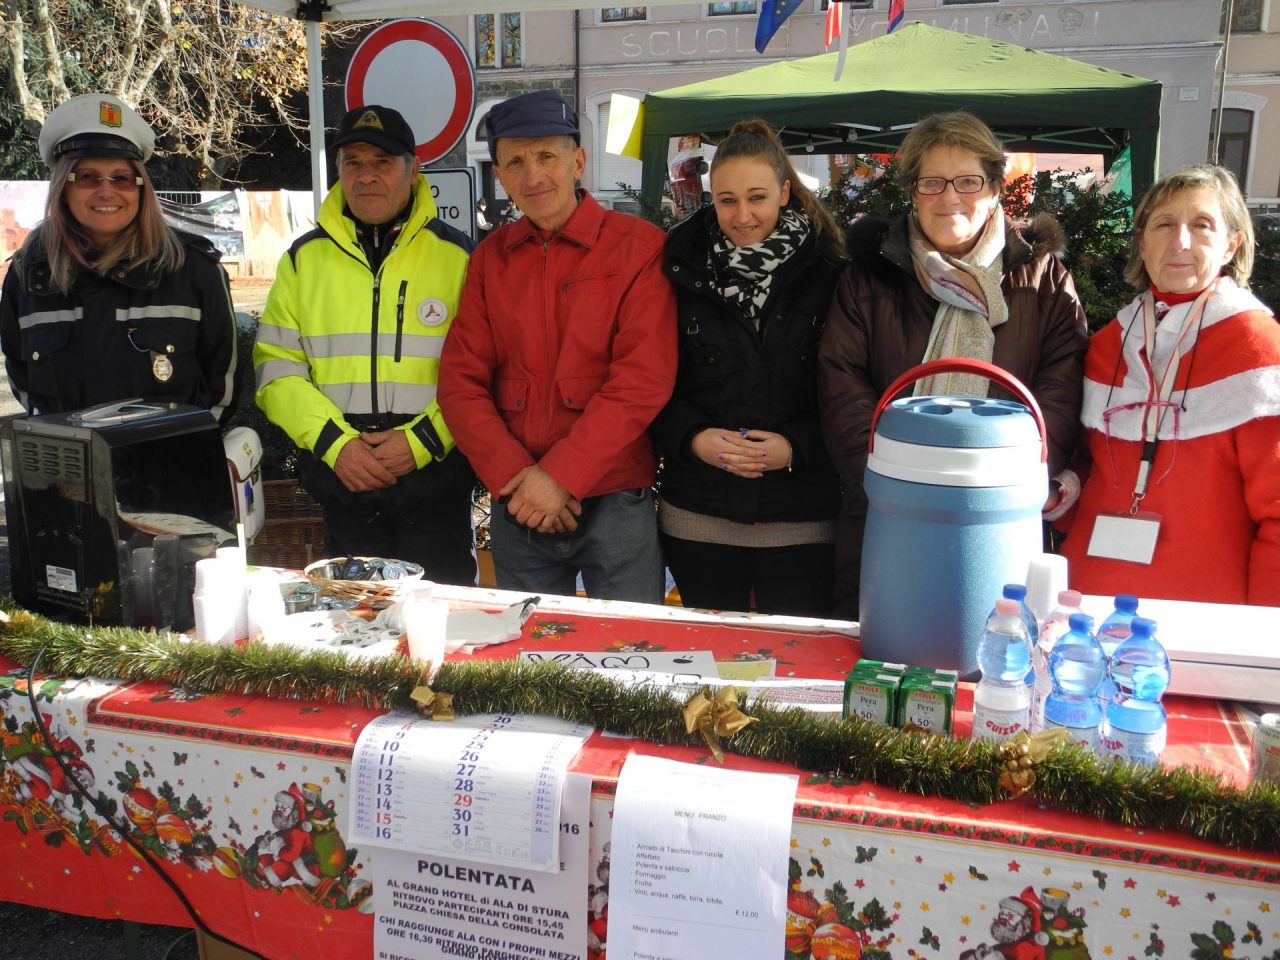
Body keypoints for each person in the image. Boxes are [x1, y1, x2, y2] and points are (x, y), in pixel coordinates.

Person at [818, 110, 1088, 619]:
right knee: (882, 656)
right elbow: (842, 383)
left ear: (993, 188)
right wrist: (888, 479)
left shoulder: (1043, 278)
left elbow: (1060, 387)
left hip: (999, 519)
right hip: (884, 510)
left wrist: (1005, 483)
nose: (949, 197)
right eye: (932, 182)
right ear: (911, 190)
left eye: (968, 181)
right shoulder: (868, 278)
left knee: (990, 659)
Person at [438, 89, 677, 603]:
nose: (533, 175)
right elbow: (460, 386)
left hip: (614, 495)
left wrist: (559, 477)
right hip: (518, 500)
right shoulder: (489, 260)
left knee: (635, 662)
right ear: (498, 175)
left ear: (578, 161)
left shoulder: (638, 247)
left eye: (547, 156)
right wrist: (516, 477)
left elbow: (643, 380)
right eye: (516, 162)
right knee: (528, 667)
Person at [253, 105, 476, 584]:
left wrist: (423, 443)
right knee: (352, 634)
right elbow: (276, 369)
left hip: (433, 483)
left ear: (414, 170)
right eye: (353, 163)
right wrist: (336, 445)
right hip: (344, 480)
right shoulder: (302, 260)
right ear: (338, 171)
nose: (367, 176)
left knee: (447, 635)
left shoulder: (460, 257)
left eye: (382, 162)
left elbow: (486, 373)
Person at [1058, 165, 1279, 605]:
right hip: (1086, 607)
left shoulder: (1259, 347)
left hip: (1206, 625)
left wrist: (1262, 640)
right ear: (1142, 243)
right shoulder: (1108, 344)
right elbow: (1088, 467)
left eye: (1201, 225)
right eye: (1164, 225)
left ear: (1231, 243)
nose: (1180, 242)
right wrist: (1058, 494)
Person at [652, 119, 846, 617]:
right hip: (698, 513)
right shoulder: (678, 268)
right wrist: (693, 438)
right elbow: (650, 381)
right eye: (727, 200)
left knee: (794, 670)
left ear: (784, 192)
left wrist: (796, 449)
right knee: (709, 668)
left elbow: (849, 392)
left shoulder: (831, 272)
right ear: (710, 199)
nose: (742, 215)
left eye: (756, 197)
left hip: (801, 517)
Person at [1, 93, 238, 424]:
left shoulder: (193, 270)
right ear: (62, 188)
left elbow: (221, 390)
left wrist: (185, 461)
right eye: (86, 177)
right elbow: (27, 388)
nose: (105, 191)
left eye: (122, 178)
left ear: (141, 188)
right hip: (70, 475)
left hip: (171, 471)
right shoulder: (28, 275)